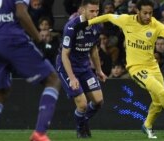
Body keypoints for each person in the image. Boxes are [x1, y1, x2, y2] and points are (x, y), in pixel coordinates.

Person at [74, 0, 164, 139]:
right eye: (145, 13)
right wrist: (87, 23)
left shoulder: (155, 24)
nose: (148, 16)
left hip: (153, 66)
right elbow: (108, 16)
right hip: (136, 68)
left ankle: (147, 125)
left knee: (158, 101)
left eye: (150, 13)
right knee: (160, 91)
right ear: (137, 11)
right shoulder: (126, 20)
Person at [0, 0, 60, 141]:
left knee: (1, 92)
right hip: (12, 39)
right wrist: (39, 38)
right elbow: (20, 12)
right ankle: (40, 133)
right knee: (52, 79)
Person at [56, 0, 107, 138]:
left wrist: (99, 70)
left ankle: (83, 120)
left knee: (98, 101)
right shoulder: (71, 27)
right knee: (82, 104)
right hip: (67, 67)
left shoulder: (97, 25)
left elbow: (94, 49)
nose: (95, 14)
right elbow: (64, 55)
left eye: (97, 11)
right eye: (91, 11)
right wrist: (72, 78)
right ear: (82, 10)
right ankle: (81, 129)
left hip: (84, 67)